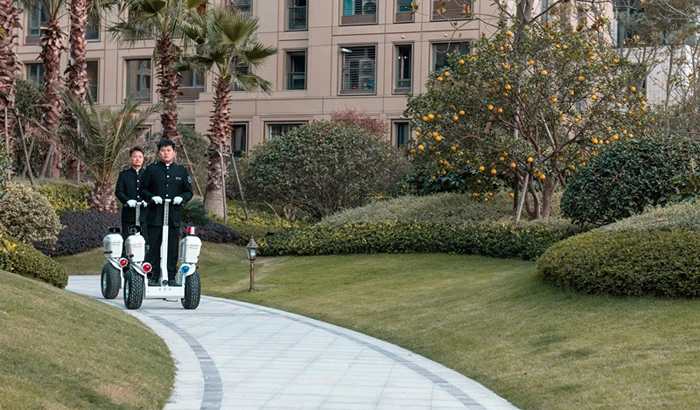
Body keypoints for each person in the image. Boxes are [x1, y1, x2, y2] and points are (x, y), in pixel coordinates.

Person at [140, 139, 193, 286]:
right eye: (163, 151)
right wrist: (151, 198)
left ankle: (170, 276)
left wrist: (181, 198)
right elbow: (142, 190)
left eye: (168, 150)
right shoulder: (151, 169)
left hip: (173, 216)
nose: (166, 153)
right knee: (153, 246)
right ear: (159, 153)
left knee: (172, 247)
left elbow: (188, 192)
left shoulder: (181, 171)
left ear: (174, 152)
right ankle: (153, 275)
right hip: (155, 215)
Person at [115, 146, 147, 244]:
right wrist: (127, 200)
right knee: (127, 241)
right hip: (129, 214)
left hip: (145, 214)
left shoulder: (148, 174)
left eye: (140, 157)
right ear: (130, 158)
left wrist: (148, 200)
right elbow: (119, 191)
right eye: (135, 157)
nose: (137, 159)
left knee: (145, 242)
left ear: (143, 159)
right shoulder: (124, 175)